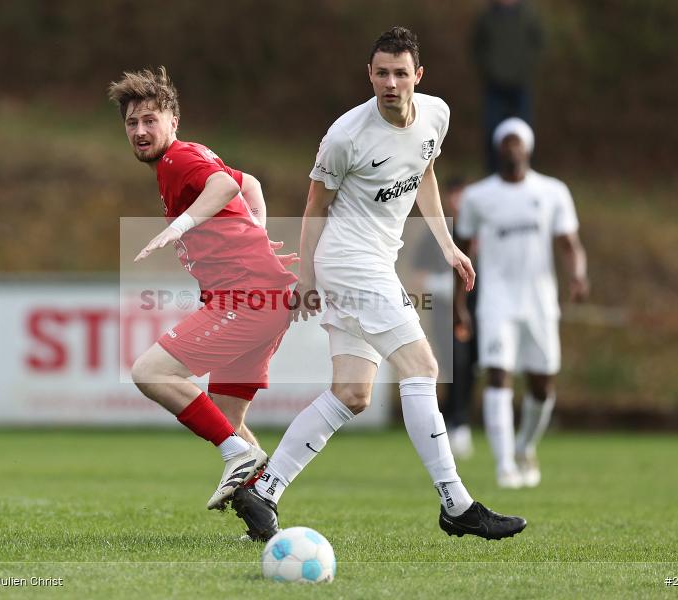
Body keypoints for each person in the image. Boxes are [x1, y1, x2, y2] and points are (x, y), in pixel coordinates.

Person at [230, 27, 526, 542]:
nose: (390, 83)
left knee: (351, 393)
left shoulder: (437, 114)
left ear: (418, 76)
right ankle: (456, 503)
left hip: (375, 264)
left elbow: (425, 173)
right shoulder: (345, 135)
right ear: (369, 74)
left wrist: (448, 243)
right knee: (423, 365)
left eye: (400, 73)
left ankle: (264, 490)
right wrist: (306, 278)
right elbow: (314, 206)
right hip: (348, 262)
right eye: (381, 73)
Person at [108, 68, 298, 510]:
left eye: (150, 120)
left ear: (173, 121)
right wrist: (257, 234)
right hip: (264, 297)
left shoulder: (178, 159)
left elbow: (226, 184)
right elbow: (247, 182)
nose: (140, 131)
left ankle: (240, 456)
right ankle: (264, 517)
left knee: (150, 372)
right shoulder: (183, 159)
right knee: (227, 418)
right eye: (132, 123)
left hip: (247, 299)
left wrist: (182, 225)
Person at [455, 117, 588, 488]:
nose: (512, 148)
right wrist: (459, 303)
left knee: (542, 384)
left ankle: (524, 446)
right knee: (498, 375)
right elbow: (460, 252)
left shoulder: (552, 192)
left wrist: (578, 274)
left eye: (518, 142)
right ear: (498, 149)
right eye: (506, 143)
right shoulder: (478, 197)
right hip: (497, 299)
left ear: (528, 148)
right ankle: (504, 466)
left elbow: (569, 244)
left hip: (540, 301)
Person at [410, 177, 477, 459]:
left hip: (480, 308)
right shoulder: (436, 233)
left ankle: (455, 417)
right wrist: (446, 287)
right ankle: (456, 423)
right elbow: (419, 276)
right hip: (445, 310)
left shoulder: (481, 231)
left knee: (473, 364)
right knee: (455, 362)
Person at [471, 0, 544, 172]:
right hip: (493, 86)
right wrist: (488, 70)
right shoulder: (486, 17)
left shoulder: (528, 15)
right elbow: (476, 47)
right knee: (492, 132)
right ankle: (493, 174)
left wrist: (525, 68)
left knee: (524, 132)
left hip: (521, 86)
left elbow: (538, 44)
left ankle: (524, 173)